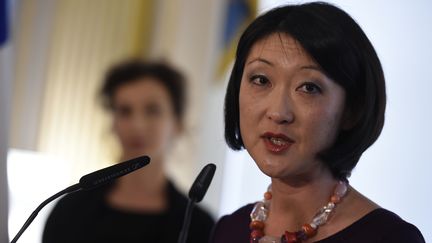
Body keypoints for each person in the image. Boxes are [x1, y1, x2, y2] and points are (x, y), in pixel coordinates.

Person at [211, 2, 425, 243]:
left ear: (351, 110)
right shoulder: (228, 230)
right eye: (261, 80)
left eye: (308, 88)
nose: (279, 112)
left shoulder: (389, 238)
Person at [43, 60, 215, 243]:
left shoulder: (199, 226)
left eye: (152, 110)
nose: (137, 126)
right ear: (113, 123)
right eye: (125, 111)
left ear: (177, 124)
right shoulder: (70, 211)